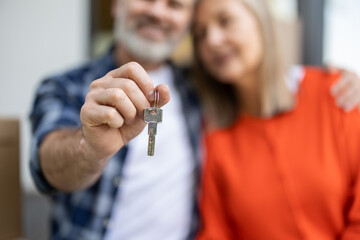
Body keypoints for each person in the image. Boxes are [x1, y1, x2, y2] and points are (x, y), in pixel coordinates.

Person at [29, 0, 359, 240]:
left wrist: (344, 79)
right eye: (202, 33)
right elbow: (48, 165)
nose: (158, 11)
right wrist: (90, 148)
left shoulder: (199, 93)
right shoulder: (65, 87)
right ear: (116, 4)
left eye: (174, 4)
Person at [192, 0, 360, 239]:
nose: (212, 40)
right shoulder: (215, 135)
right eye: (200, 34)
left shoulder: (336, 95)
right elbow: (215, 232)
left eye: (225, 21)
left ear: (262, 21)